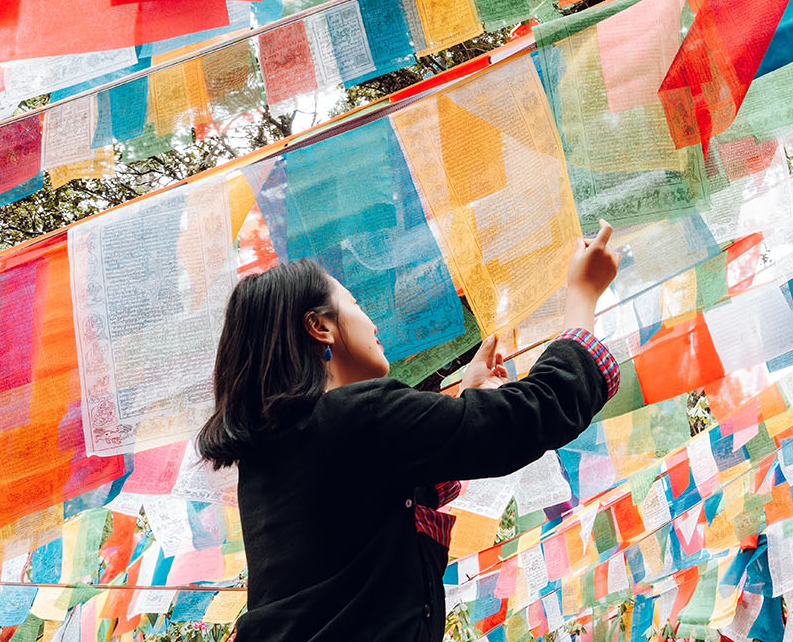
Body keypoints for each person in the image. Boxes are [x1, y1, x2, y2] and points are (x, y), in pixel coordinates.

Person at [197, 221, 623, 642]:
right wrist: (583, 297)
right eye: (355, 303)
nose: (375, 324)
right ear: (321, 327)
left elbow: (375, 499)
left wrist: (465, 401)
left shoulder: (277, 450)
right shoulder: (360, 416)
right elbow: (527, 417)